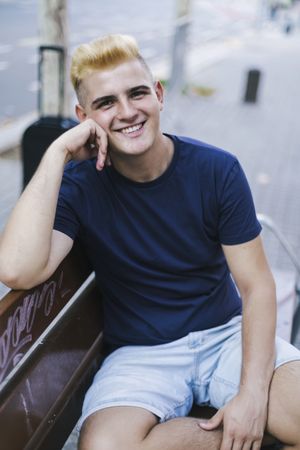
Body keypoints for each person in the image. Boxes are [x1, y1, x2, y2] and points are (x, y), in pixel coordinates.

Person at [0, 34, 300, 450]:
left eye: (137, 93)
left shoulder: (217, 170)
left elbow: (257, 286)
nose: (126, 112)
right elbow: (16, 268)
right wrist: (58, 153)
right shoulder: (78, 187)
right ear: (84, 116)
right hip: (141, 354)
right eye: (106, 103)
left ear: (158, 95)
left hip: (227, 337)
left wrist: (251, 395)